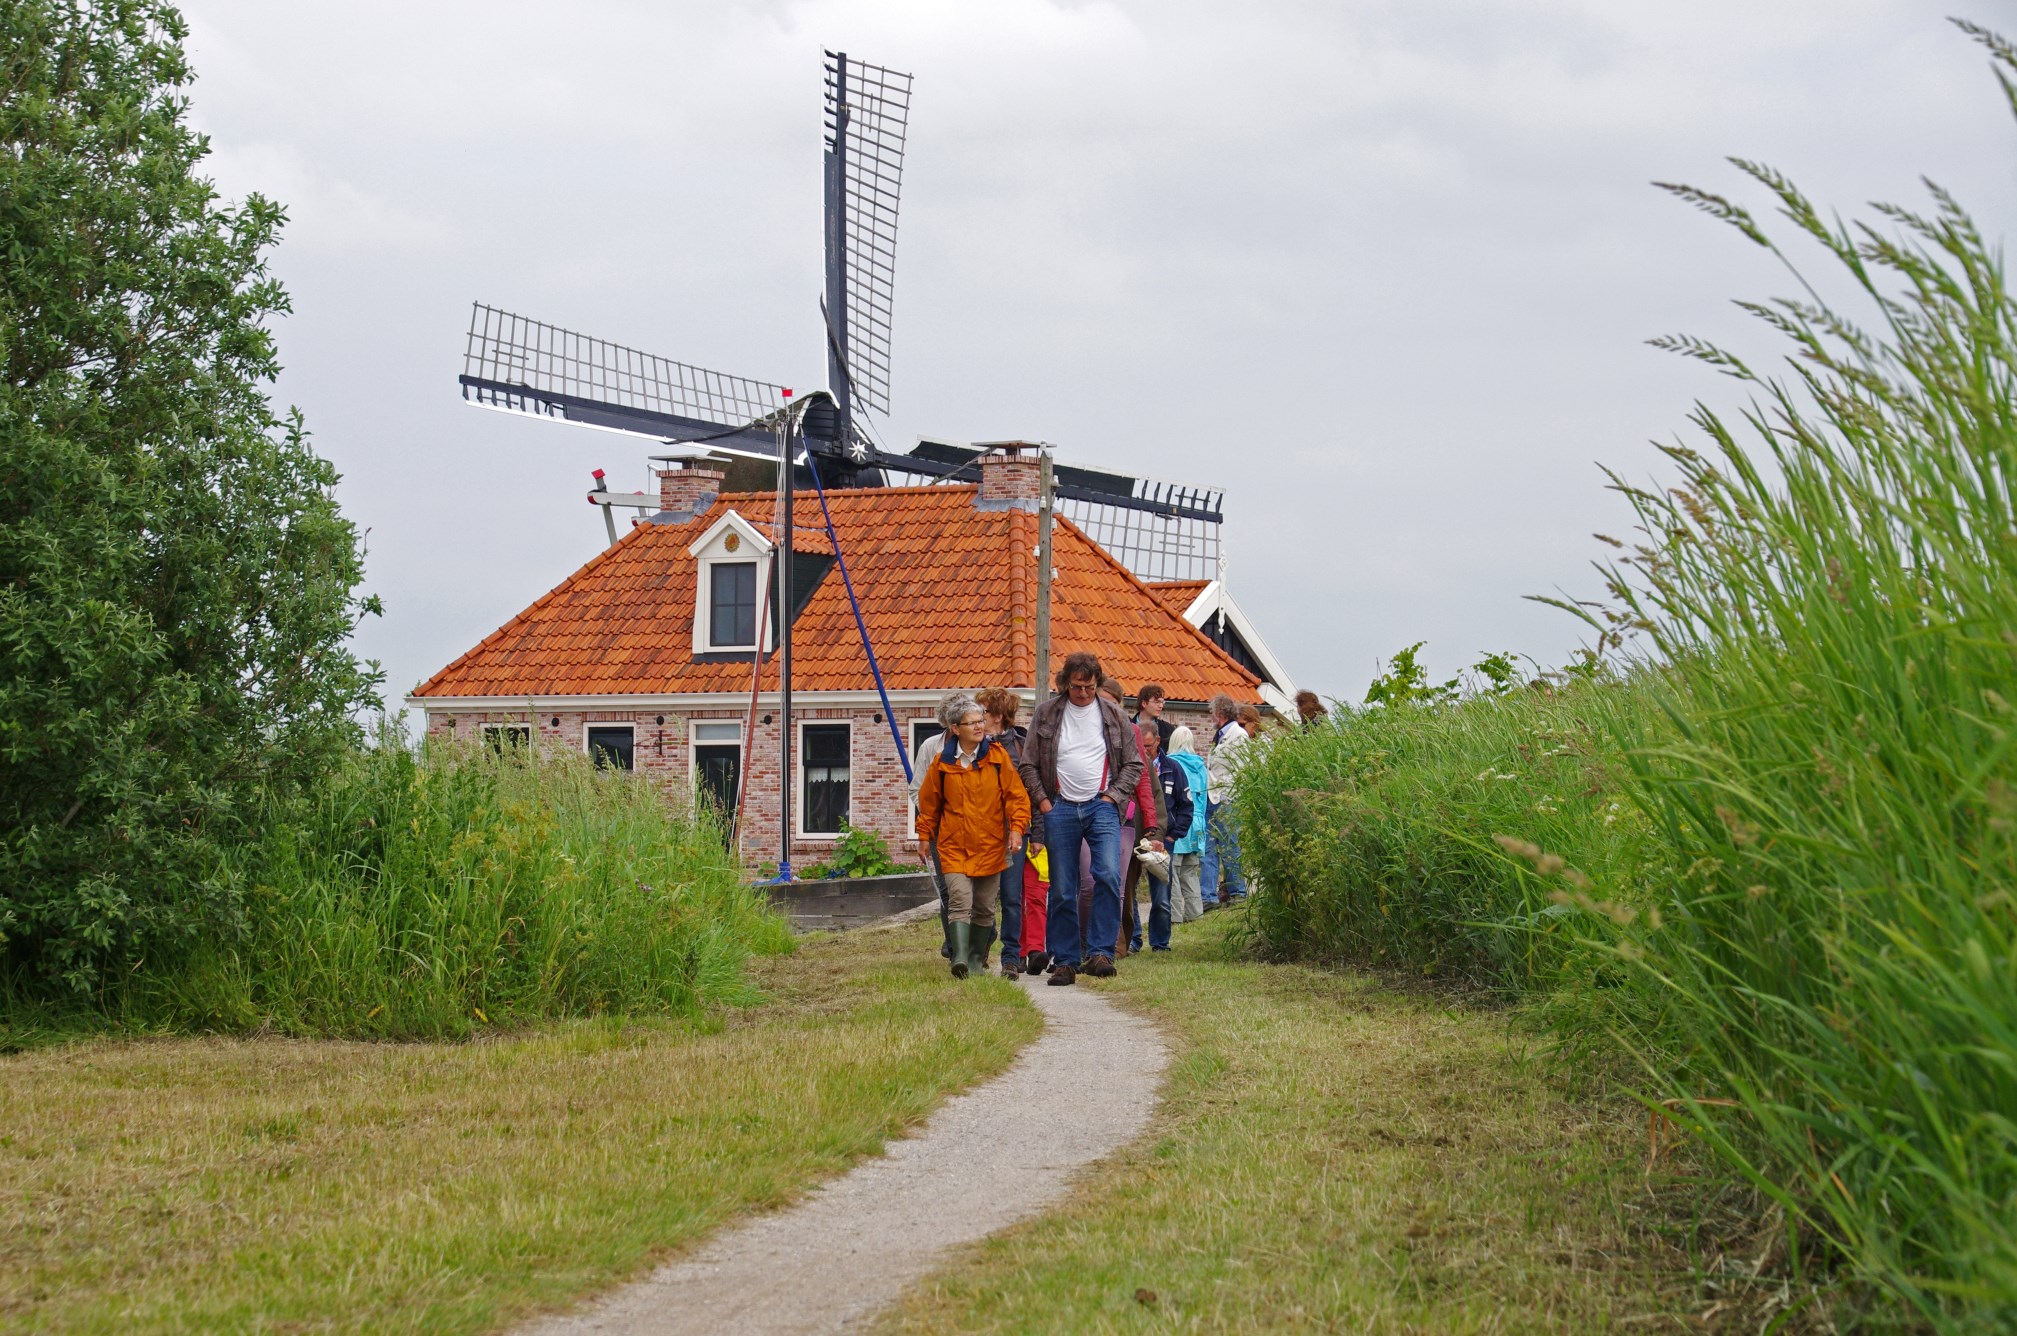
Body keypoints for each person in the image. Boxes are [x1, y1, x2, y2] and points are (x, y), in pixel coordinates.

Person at [1019, 651, 1142, 985]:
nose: (1083, 693)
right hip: (1059, 806)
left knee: (1108, 876)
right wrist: (1043, 802)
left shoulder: (1115, 716)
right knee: (1061, 887)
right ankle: (1066, 960)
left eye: (1089, 687)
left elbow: (1133, 765)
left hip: (1101, 806)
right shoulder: (1046, 714)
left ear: (1097, 683)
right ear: (1065, 684)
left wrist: (1111, 796)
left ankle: (1101, 952)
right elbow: (1028, 763)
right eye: (1076, 687)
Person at [916, 691, 1030, 979]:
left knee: (984, 907)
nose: (980, 727)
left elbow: (1016, 797)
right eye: (972, 723)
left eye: (981, 721)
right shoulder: (941, 763)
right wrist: (924, 838)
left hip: (991, 845)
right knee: (959, 900)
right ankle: (960, 958)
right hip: (953, 845)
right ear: (956, 729)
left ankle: (977, 962)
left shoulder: (997, 758)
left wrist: (1016, 830)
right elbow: (929, 804)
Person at [977, 686, 1031, 978]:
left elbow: (1029, 792)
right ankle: (981, 949)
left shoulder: (1021, 745)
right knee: (982, 897)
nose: (978, 717)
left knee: (1012, 896)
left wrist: (1031, 832)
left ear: (997, 716)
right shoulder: (971, 745)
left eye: (983, 712)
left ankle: (1011, 957)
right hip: (981, 832)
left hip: (1013, 831)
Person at [1125, 722, 1192, 952]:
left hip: (1162, 840)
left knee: (1162, 895)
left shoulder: (1173, 769)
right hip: (1133, 837)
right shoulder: (1131, 766)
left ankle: (1160, 942)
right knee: (1128, 891)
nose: (1145, 752)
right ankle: (1133, 939)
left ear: (1158, 743)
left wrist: (1172, 836)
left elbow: (1186, 806)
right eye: (1141, 747)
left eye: (1149, 747)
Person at [1199, 694, 1250, 909]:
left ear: (1219, 713)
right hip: (1212, 797)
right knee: (1209, 847)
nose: (1211, 716)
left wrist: (1229, 793)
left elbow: (1242, 768)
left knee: (1229, 845)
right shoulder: (1219, 735)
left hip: (1227, 797)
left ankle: (1237, 891)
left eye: (1212, 712)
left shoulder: (1238, 735)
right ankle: (1208, 896)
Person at [1166, 725, 1211, 923]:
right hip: (1198, 823)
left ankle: (1174, 915)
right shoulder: (1201, 766)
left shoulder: (1172, 764)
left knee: (1172, 871)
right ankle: (1195, 913)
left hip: (1180, 821)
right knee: (1190, 871)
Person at [1132, 683, 1176, 752]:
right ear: (1144, 703)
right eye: (1157, 702)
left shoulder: (1168, 730)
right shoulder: (1127, 727)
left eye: (1162, 702)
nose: (1161, 706)